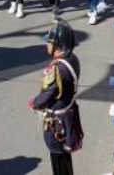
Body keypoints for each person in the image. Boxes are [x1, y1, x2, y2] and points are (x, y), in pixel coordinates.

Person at [31, 19, 83, 175]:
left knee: (58, 155)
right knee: (64, 155)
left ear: (57, 45)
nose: (47, 45)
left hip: (57, 120)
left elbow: (47, 93)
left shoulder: (56, 69)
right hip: (68, 111)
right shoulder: (72, 59)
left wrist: (35, 103)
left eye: (49, 42)